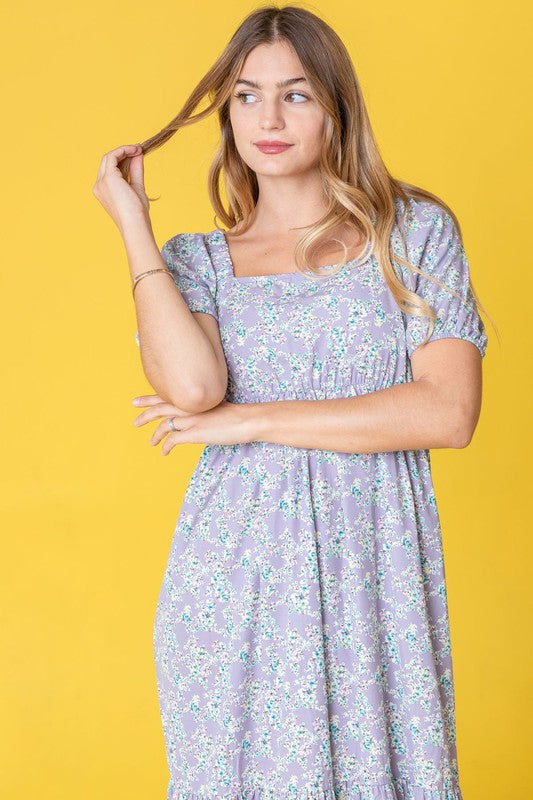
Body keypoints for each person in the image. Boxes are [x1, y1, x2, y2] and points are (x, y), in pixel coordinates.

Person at [93, 6, 490, 799]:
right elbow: (195, 390)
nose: (267, 118)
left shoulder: (411, 235)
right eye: (246, 96)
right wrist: (134, 226)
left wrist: (254, 420)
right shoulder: (198, 260)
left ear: (336, 107)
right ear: (226, 114)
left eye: (296, 95)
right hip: (233, 572)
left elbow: (447, 412)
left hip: (373, 565)